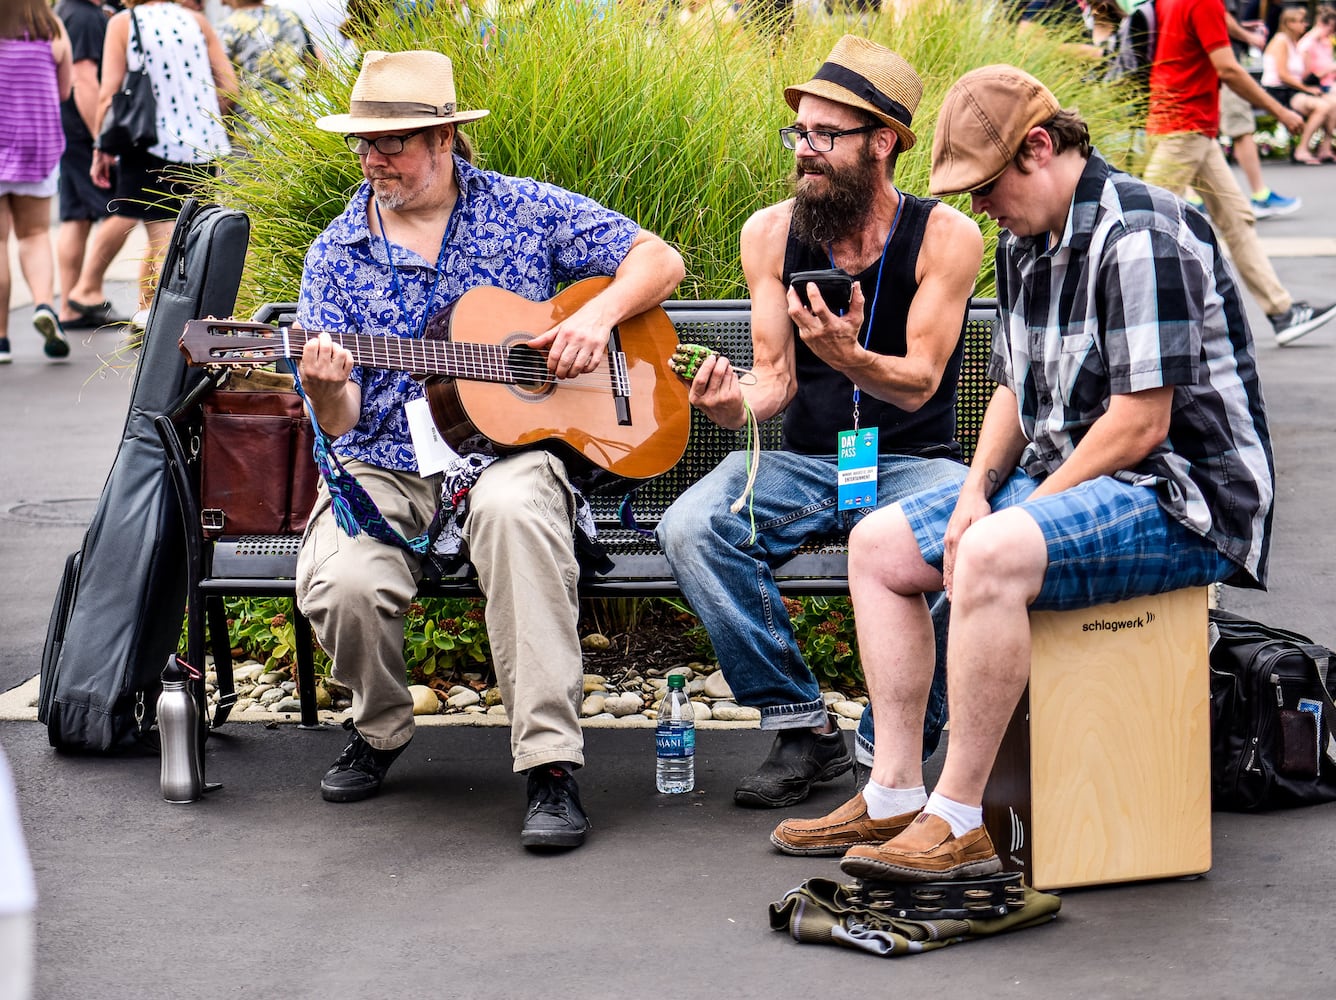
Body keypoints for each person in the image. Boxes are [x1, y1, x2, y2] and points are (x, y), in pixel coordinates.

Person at [772, 65, 1274, 879]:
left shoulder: (1144, 230)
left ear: (1039, 148)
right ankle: (895, 791)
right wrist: (973, 493)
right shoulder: (1025, 241)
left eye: (986, 184)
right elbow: (1011, 386)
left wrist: (1018, 513)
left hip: (1185, 495)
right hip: (1078, 478)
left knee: (995, 552)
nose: (977, 205)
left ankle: (960, 817)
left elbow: (1140, 423)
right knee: (879, 545)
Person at [294, 49, 684, 850]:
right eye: (364, 145)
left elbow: (660, 259)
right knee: (343, 584)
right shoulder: (337, 253)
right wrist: (327, 381)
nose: (374, 159)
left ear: (444, 140)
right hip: (385, 463)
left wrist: (595, 318)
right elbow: (338, 422)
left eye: (393, 143)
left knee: (513, 513)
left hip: (507, 458)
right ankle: (380, 729)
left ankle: (549, 765)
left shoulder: (521, 210)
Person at [657, 36, 982, 809]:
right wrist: (726, 402)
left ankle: (891, 740)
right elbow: (771, 382)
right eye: (798, 131)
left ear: (883, 143)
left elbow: (919, 386)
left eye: (824, 135)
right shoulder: (770, 233)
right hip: (802, 461)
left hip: (913, 460)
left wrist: (850, 355)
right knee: (692, 526)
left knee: (965, 534)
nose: (804, 150)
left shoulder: (946, 238)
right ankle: (803, 727)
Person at [1141, 0, 1336, 345]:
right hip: (1183, 130)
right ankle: (1100, 317)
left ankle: (1282, 311)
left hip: (1187, 127)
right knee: (1139, 229)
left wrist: (1242, 32)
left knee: (1237, 217)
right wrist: (1280, 111)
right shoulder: (1203, 2)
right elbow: (1227, 69)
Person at [65, 0, 234, 332]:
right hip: (202, 145)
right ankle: (154, 313)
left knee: (163, 236)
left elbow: (109, 93)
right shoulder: (197, 21)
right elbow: (228, 87)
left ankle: (159, 324)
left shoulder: (124, 23)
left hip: (148, 143)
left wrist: (102, 146)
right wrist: (205, 124)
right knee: (185, 234)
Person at [0, 0, 74, 363]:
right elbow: (63, 92)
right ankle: (45, 305)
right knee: (34, 235)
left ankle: (0, 340)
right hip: (37, 145)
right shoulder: (52, 29)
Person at [54, 0, 134, 332]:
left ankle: (69, 308)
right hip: (84, 131)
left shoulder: (67, 10)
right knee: (127, 205)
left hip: (69, 129)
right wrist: (101, 139)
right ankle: (86, 293)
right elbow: (83, 80)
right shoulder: (84, 17)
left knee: (77, 216)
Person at [1218, 4, 1301, 218]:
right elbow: (1220, 17)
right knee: (1240, 128)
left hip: (1216, 67)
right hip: (1223, 64)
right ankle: (1259, 196)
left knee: (1202, 139)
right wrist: (1247, 35)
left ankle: (1198, 201)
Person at [218, 0, 320, 143]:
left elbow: (228, 91)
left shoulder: (225, 30)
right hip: (300, 126)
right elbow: (319, 71)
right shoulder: (290, 17)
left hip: (252, 134)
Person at [1262, 4, 1336, 162]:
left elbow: (1304, 73)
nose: (1305, 25)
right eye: (1301, 21)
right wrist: (1307, 89)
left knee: (1333, 102)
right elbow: (1283, 75)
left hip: (1293, 90)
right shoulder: (1281, 41)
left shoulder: (1296, 43)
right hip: (1279, 91)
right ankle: (1302, 149)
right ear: (1289, 23)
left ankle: (1325, 148)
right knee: (1322, 106)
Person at [1298, 5, 1336, 92]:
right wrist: (1329, 70)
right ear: (1320, 23)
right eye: (1331, 30)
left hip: (1329, 84)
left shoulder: (1326, 43)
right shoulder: (1307, 44)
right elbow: (1305, 78)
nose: (1332, 34)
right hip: (1317, 87)